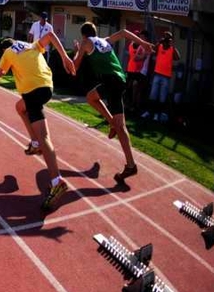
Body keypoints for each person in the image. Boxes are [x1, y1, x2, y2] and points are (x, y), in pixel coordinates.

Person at [0, 31, 76, 213]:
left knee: (45, 137)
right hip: (46, 86)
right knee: (20, 107)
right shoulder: (32, 45)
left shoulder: (7, 53)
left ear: (4, 48)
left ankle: (56, 181)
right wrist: (65, 58)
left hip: (32, 90)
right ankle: (35, 142)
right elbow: (51, 34)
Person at [72, 23, 154, 184]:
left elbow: (75, 66)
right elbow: (123, 31)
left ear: (84, 35)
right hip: (118, 79)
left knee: (121, 127)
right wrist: (143, 44)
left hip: (111, 82)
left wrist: (77, 51)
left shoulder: (85, 42)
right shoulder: (104, 40)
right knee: (91, 97)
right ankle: (111, 123)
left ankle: (131, 165)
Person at [142, 31, 181, 122]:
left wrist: (173, 46)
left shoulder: (171, 49)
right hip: (157, 74)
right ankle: (148, 112)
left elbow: (177, 57)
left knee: (162, 97)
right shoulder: (159, 46)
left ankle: (157, 114)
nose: (166, 39)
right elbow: (152, 51)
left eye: (168, 38)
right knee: (153, 95)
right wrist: (159, 42)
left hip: (166, 76)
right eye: (165, 37)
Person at [125, 30, 150, 112]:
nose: (139, 38)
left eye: (141, 36)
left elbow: (151, 52)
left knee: (138, 89)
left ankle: (135, 106)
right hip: (135, 70)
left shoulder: (145, 45)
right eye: (139, 36)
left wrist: (144, 55)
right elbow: (135, 58)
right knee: (132, 88)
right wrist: (143, 56)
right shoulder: (135, 45)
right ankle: (131, 105)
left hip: (141, 71)